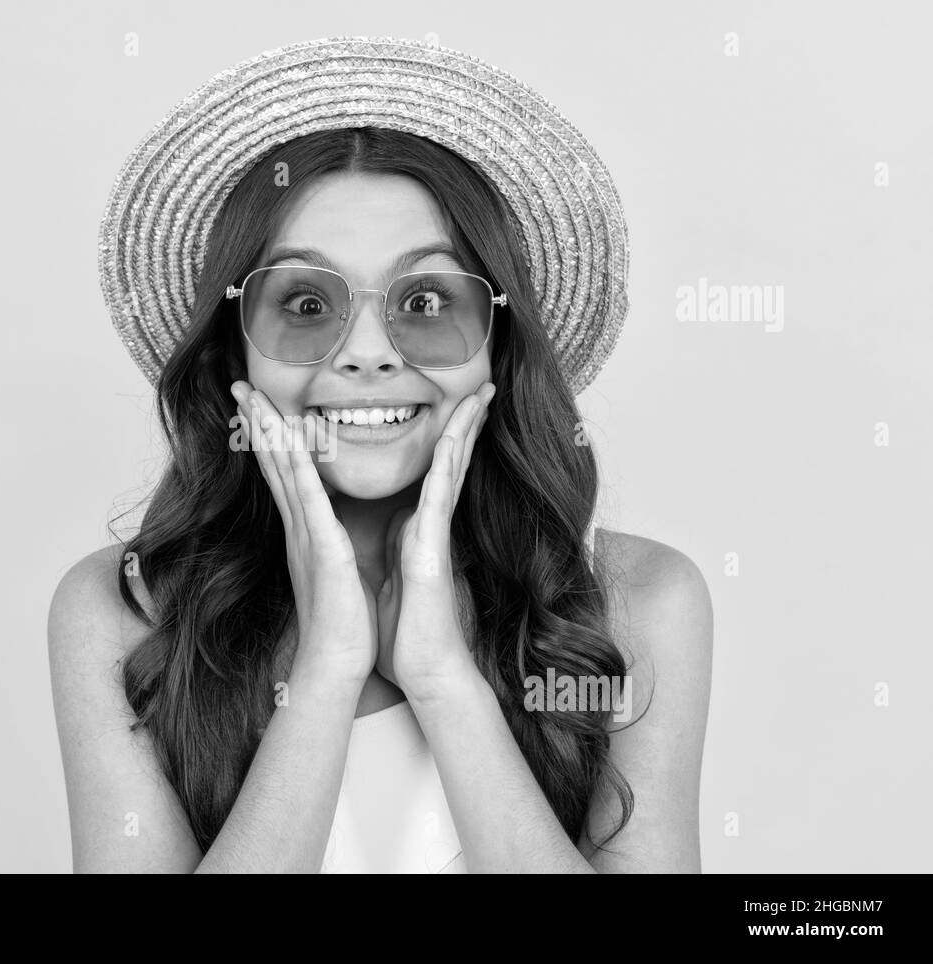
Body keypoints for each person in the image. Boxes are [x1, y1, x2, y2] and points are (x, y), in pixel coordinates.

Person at [50, 37, 713, 873]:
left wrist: (443, 679)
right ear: (235, 355)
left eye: (426, 299)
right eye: (305, 300)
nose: (367, 354)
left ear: (498, 347)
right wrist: (326, 672)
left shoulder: (640, 603)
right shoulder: (122, 613)